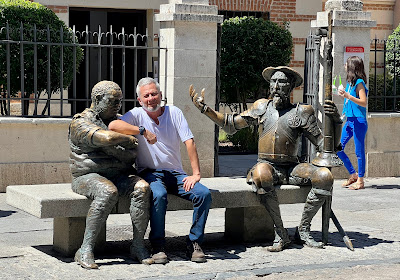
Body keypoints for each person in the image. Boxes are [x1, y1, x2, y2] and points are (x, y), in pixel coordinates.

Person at [190, 66, 342, 251]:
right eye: (273, 82)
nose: (276, 86)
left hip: (293, 167)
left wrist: (336, 122)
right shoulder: (261, 107)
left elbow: (326, 147)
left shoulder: (302, 112)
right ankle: (280, 232)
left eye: (282, 82)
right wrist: (205, 109)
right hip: (267, 165)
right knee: (262, 174)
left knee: (325, 176)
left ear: (292, 86)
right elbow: (230, 124)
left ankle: (303, 229)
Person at [109, 77, 212, 264]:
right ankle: (158, 245)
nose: (151, 98)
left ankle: (194, 242)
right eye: (146, 96)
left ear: (161, 95)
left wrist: (196, 174)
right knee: (159, 194)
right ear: (140, 100)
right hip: (150, 173)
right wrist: (142, 131)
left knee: (203, 194)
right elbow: (113, 125)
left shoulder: (174, 112)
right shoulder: (136, 114)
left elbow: (189, 141)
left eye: (154, 94)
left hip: (176, 173)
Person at [69, 80, 153, 269]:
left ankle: (138, 245)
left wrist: (114, 148)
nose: (118, 106)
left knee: (142, 188)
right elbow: (106, 137)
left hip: (119, 175)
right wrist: (126, 139)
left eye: (120, 101)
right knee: (108, 191)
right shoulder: (81, 122)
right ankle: (85, 249)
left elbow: (133, 153)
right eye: (113, 101)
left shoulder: (119, 121)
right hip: (87, 176)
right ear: (98, 99)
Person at [337, 56, 368, 190]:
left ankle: (360, 181)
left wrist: (348, 96)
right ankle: (353, 174)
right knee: (338, 148)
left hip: (358, 121)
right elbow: (349, 100)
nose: (344, 65)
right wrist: (343, 95)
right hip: (349, 120)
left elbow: (363, 102)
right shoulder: (350, 83)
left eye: (347, 64)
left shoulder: (359, 83)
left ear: (352, 67)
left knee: (359, 151)